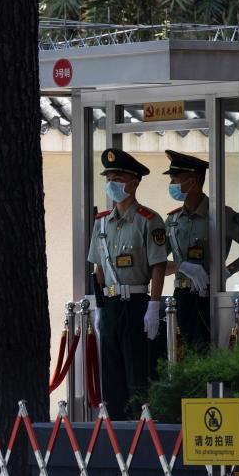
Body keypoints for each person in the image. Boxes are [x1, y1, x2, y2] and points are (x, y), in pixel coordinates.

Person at [88, 149, 168, 420]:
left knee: (137, 374)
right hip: (110, 304)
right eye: (108, 177)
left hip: (136, 305)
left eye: (117, 176)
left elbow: (158, 265)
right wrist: (99, 308)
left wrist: (154, 305)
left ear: (134, 182)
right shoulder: (101, 223)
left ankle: (141, 432)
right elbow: (99, 268)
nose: (111, 182)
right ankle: (117, 434)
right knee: (111, 374)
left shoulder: (148, 220)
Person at [162, 150, 239, 351]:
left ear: (194, 180)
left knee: (206, 354)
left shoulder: (220, 215)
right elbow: (154, 263)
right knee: (180, 356)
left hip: (210, 295)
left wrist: (227, 271)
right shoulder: (172, 221)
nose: (172, 185)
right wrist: (180, 266)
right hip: (181, 295)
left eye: (176, 179)